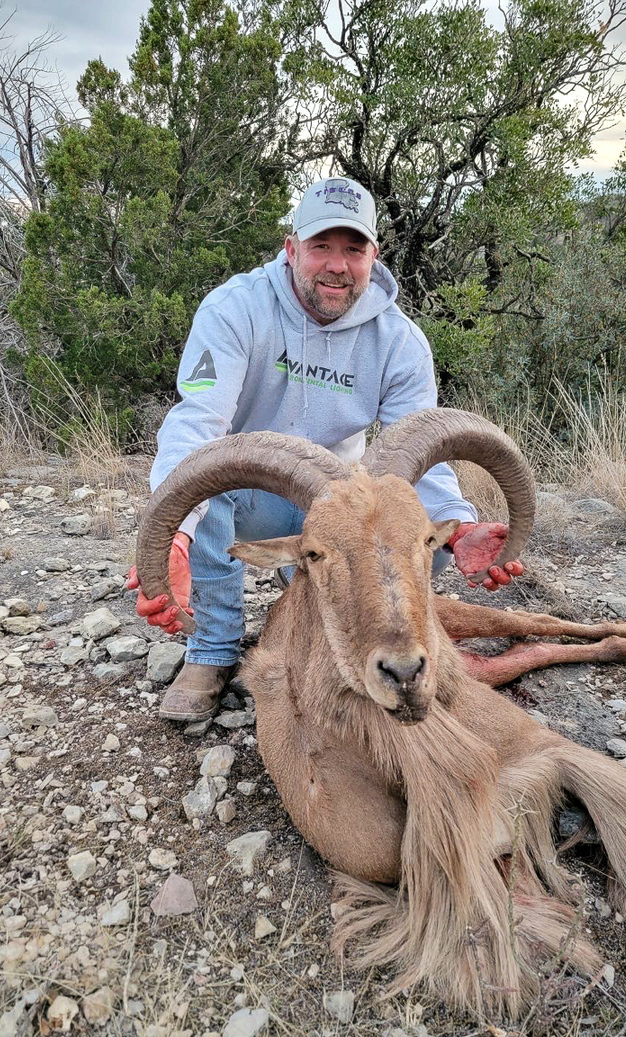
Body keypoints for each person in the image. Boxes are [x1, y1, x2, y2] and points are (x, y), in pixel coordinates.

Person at [128, 177, 523, 722]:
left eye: (353, 250)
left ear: (373, 257)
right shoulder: (235, 310)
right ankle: (214, 649)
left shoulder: (400, 341)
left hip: (338, 502)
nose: (337, 265)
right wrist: (173, 532)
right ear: (291, 249)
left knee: (410, 536)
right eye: (321, 247)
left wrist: (458, 521)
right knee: (208, 479)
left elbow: (422, 445)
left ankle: (352, 642)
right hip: (254, 495)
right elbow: (197, 422)